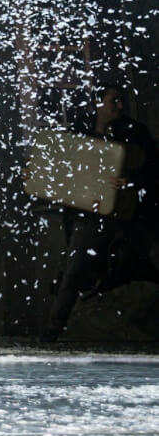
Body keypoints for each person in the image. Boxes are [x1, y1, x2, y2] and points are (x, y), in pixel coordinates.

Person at [41, 85, 159, 342]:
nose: (119, 106)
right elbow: (63, 167)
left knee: (139, 269)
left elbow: (154, 169)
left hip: (128, 216)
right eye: (113, 100)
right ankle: (52, 332)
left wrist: (131, 182)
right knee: (73, 273)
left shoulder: (134, 132)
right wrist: (39, 175)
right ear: (98, 103)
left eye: (121, 101)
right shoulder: (80, 130)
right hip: (89, 216)